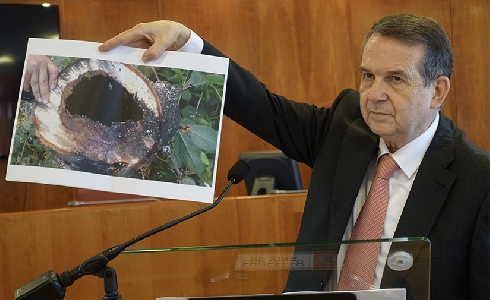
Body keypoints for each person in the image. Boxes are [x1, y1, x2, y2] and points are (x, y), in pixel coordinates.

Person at [25, 14, 489, 300]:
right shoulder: (347, 126)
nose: (375, 95)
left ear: (438, 90)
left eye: (396, 79)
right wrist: (192, 46)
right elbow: (261, 105)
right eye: (368, 76)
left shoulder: (478, 181)